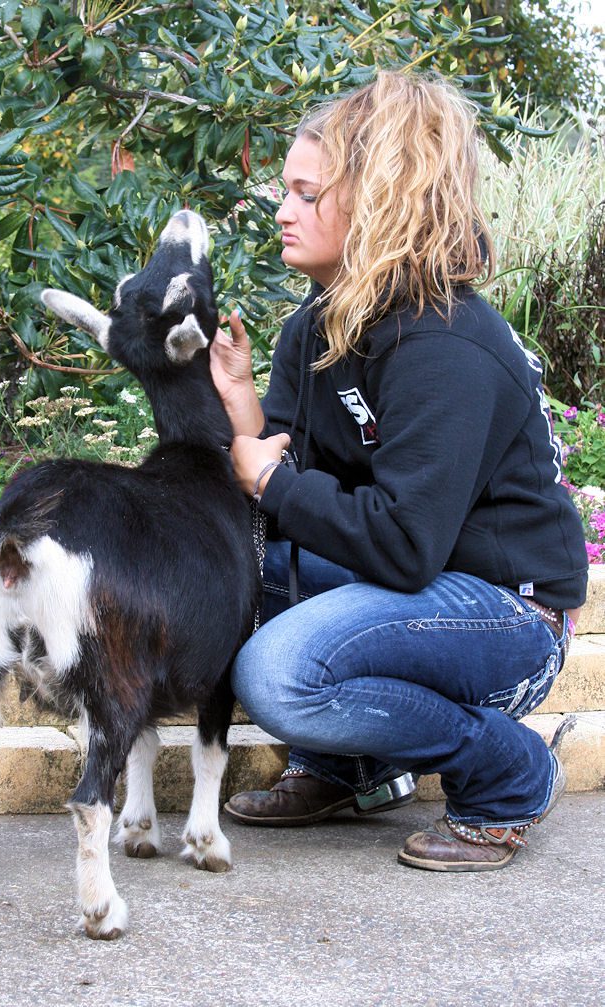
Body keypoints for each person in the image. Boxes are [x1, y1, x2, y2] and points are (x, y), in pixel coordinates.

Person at [209, 69, 588, 872]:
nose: (282, 212)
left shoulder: (445, 342)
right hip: (416, 588)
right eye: (285, 191)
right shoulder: (315, 328)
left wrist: (271, 482)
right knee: (225, 565)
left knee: (278, 674)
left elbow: (405, 543)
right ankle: (349, 766)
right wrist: (241, 406)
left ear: (376, 201)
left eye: (307, 194)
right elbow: (277, 491)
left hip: (507, 614)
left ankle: (508, 772)